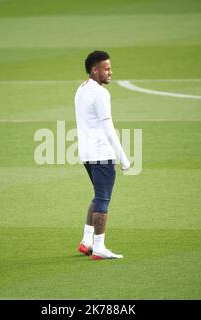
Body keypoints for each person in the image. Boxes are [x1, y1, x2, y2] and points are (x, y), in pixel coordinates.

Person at [74, 50, 131, 260]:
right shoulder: (101, 94)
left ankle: (87, 241)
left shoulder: (81, 89)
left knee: (98, 196)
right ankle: (99, 247)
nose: (110, 72)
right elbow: (108, 128)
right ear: (94, 69)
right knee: (103, 200)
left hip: (87, 154)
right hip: (101, 153)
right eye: (106, 69)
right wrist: (124, 158)